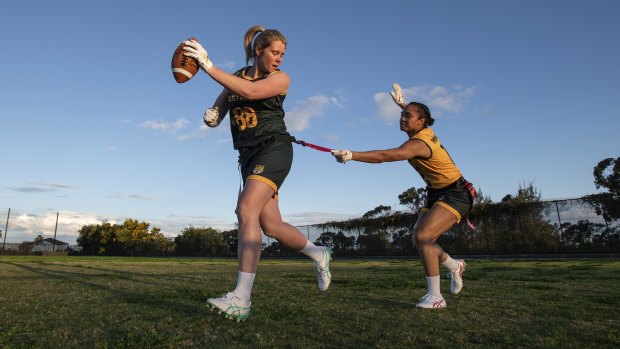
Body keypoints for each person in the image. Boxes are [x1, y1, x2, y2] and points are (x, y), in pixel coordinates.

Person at [183, 25, 332, 322]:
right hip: (248, 156)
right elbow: (223, 103)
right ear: (258, 51)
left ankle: (241, 298)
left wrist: (207, 64)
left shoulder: (280, 79)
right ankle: (319, 254)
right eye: (275, 52)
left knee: (245, 208)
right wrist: (213, 116)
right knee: (272, 226)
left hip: (274, 149)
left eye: (282, 54)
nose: (279, 59)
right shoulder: (236, 76)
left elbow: (250, 92)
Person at [331, 83, 474, 309]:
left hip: (456, 193)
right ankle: (455, 266)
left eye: (408, 116)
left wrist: (352, 155)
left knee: (424, 237)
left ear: (421, 122)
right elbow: (414, 117)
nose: (402, 119)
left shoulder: (419, 143)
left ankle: (436, 297)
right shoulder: (422, 131)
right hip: (436, 192)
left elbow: (387, 155)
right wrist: (402, 103)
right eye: (401, 115)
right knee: (420, 239)